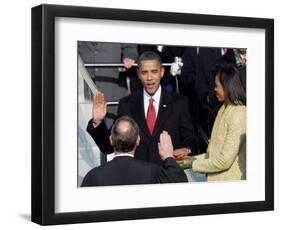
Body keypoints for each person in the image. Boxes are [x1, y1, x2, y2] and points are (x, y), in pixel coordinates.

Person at [87, 51, 199, 165]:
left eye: (154, 72)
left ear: (162, 72)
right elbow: (108, 147)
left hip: (168, 175)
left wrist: (187, 149)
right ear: (138, 74)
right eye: (144, 72)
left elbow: (192, 139)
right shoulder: (127, 104)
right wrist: (98, 121)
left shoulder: (179, 102)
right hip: (139, 177)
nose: (149, 78)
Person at [177, 63, 246, 181]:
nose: (214, 89)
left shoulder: (238, 113)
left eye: (217, 85)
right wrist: (190, 159)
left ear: (227, 87)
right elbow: (213, 155)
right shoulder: (225, 108)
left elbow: (224, 161)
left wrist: (191, 164)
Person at [81, 116, 187, 186]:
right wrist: (169, 157)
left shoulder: (94, 176)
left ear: (111, 140)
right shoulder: (154, 172)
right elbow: (180, 187)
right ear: (138, 140)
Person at [78, 42, 138, 127]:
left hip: (113, 85)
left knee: (115, 125)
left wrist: (129, 56)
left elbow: (130, 46)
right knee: (92, 125)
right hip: (89, 85)